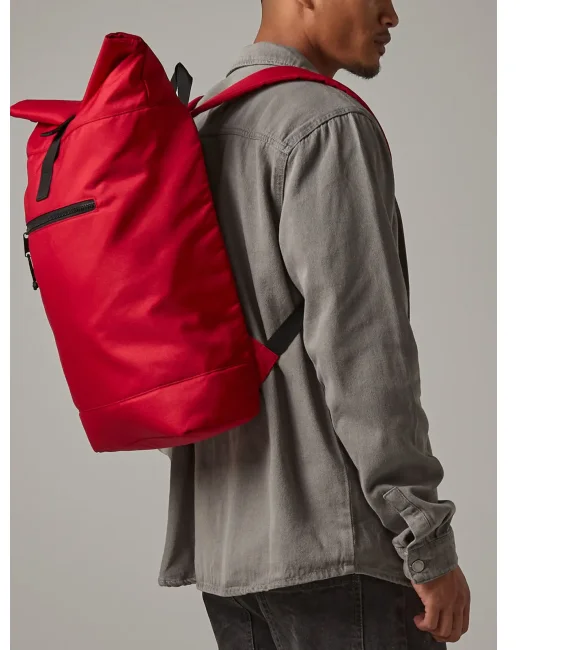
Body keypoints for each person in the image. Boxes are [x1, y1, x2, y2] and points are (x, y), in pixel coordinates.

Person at [159, 1, 471, 647]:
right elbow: (363, 352)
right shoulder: (323, 123)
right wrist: (424, 538)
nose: (391, 14)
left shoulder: (199, 124)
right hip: (335, 548)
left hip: (227, 552)